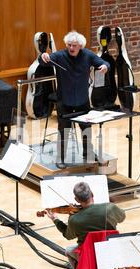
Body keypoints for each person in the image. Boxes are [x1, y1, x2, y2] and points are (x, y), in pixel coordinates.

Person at [39, 31, 110, 169]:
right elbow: (44, 61)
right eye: (69, 45)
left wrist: (105, 66)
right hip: (64, 101)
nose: (71, 48)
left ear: (81, 46)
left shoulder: (88, 55)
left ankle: (87, 152)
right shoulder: (60, 55)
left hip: (82, 101)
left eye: (74, 46)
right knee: (63, 130)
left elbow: (104, 62)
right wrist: (44, 56)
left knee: (86, 129)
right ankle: (60, 158)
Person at [45, 181, 125, 269]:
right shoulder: (110, 208)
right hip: (111, 250)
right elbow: (122, 217)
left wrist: (55, 219)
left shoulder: (74, 219)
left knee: (68, 250)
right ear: (92, 194)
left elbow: (68, 236)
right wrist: (111, 204)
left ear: (77, 199)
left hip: (88, 256)